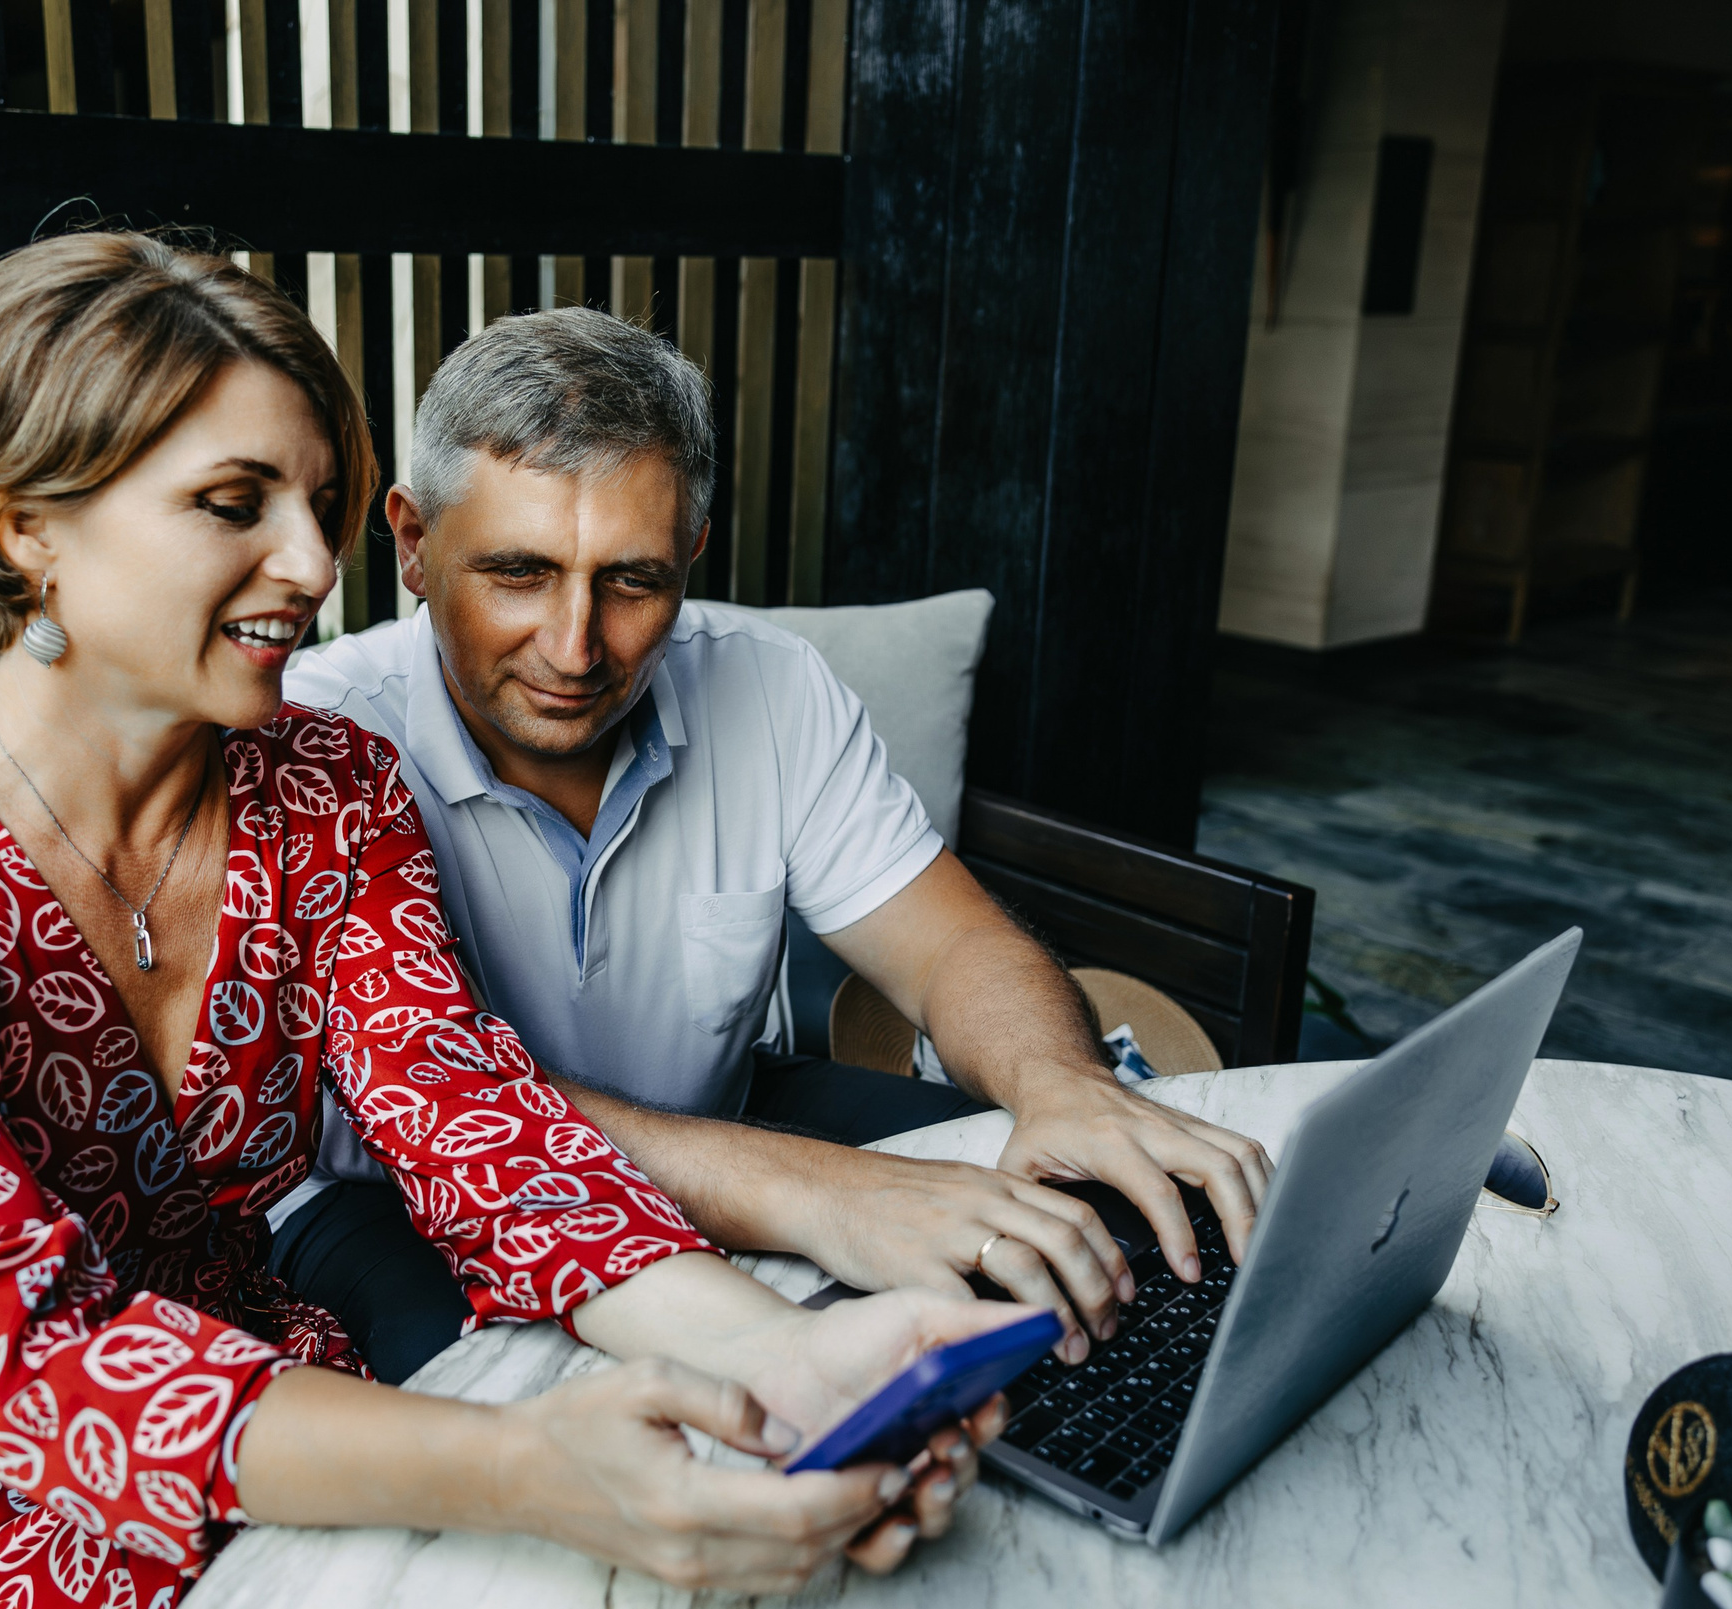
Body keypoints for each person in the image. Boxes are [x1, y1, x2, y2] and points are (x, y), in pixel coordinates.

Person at [0, 234, 1035, 1609]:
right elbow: (6, 1349)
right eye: (232, 504)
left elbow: (479, 1130)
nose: (314, 566)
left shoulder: (326, 788)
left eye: (317, 505)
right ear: (26, 524)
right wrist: (527, 1469)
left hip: (255, 1376)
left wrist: (788, 1361)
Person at [279, 308, 1277, 1384]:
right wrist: (821, 1195)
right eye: (519, 572)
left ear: (692, 552)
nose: (573, 649)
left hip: (725, 1112)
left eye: (633, 580)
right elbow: (439, 1104)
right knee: (567, 1412)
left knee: (1084, 1211)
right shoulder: (316, 739)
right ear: (413, 541)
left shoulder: (770, 682)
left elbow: (950, 948)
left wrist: (1062, 1080)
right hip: (387, 1199)